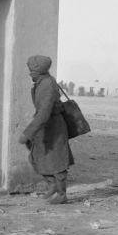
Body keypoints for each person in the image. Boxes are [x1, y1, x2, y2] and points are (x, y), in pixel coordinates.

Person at [18, 55, 74, 204]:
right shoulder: (41, 82)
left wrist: (28, 133)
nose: (30, 73)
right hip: (45, 126)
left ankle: (62, 194)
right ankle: (52, 184)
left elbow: (44, 113)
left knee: (58, 161)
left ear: (39, 71)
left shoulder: (47, 84)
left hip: (54, 127)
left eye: (31, 71)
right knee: (36, 155)